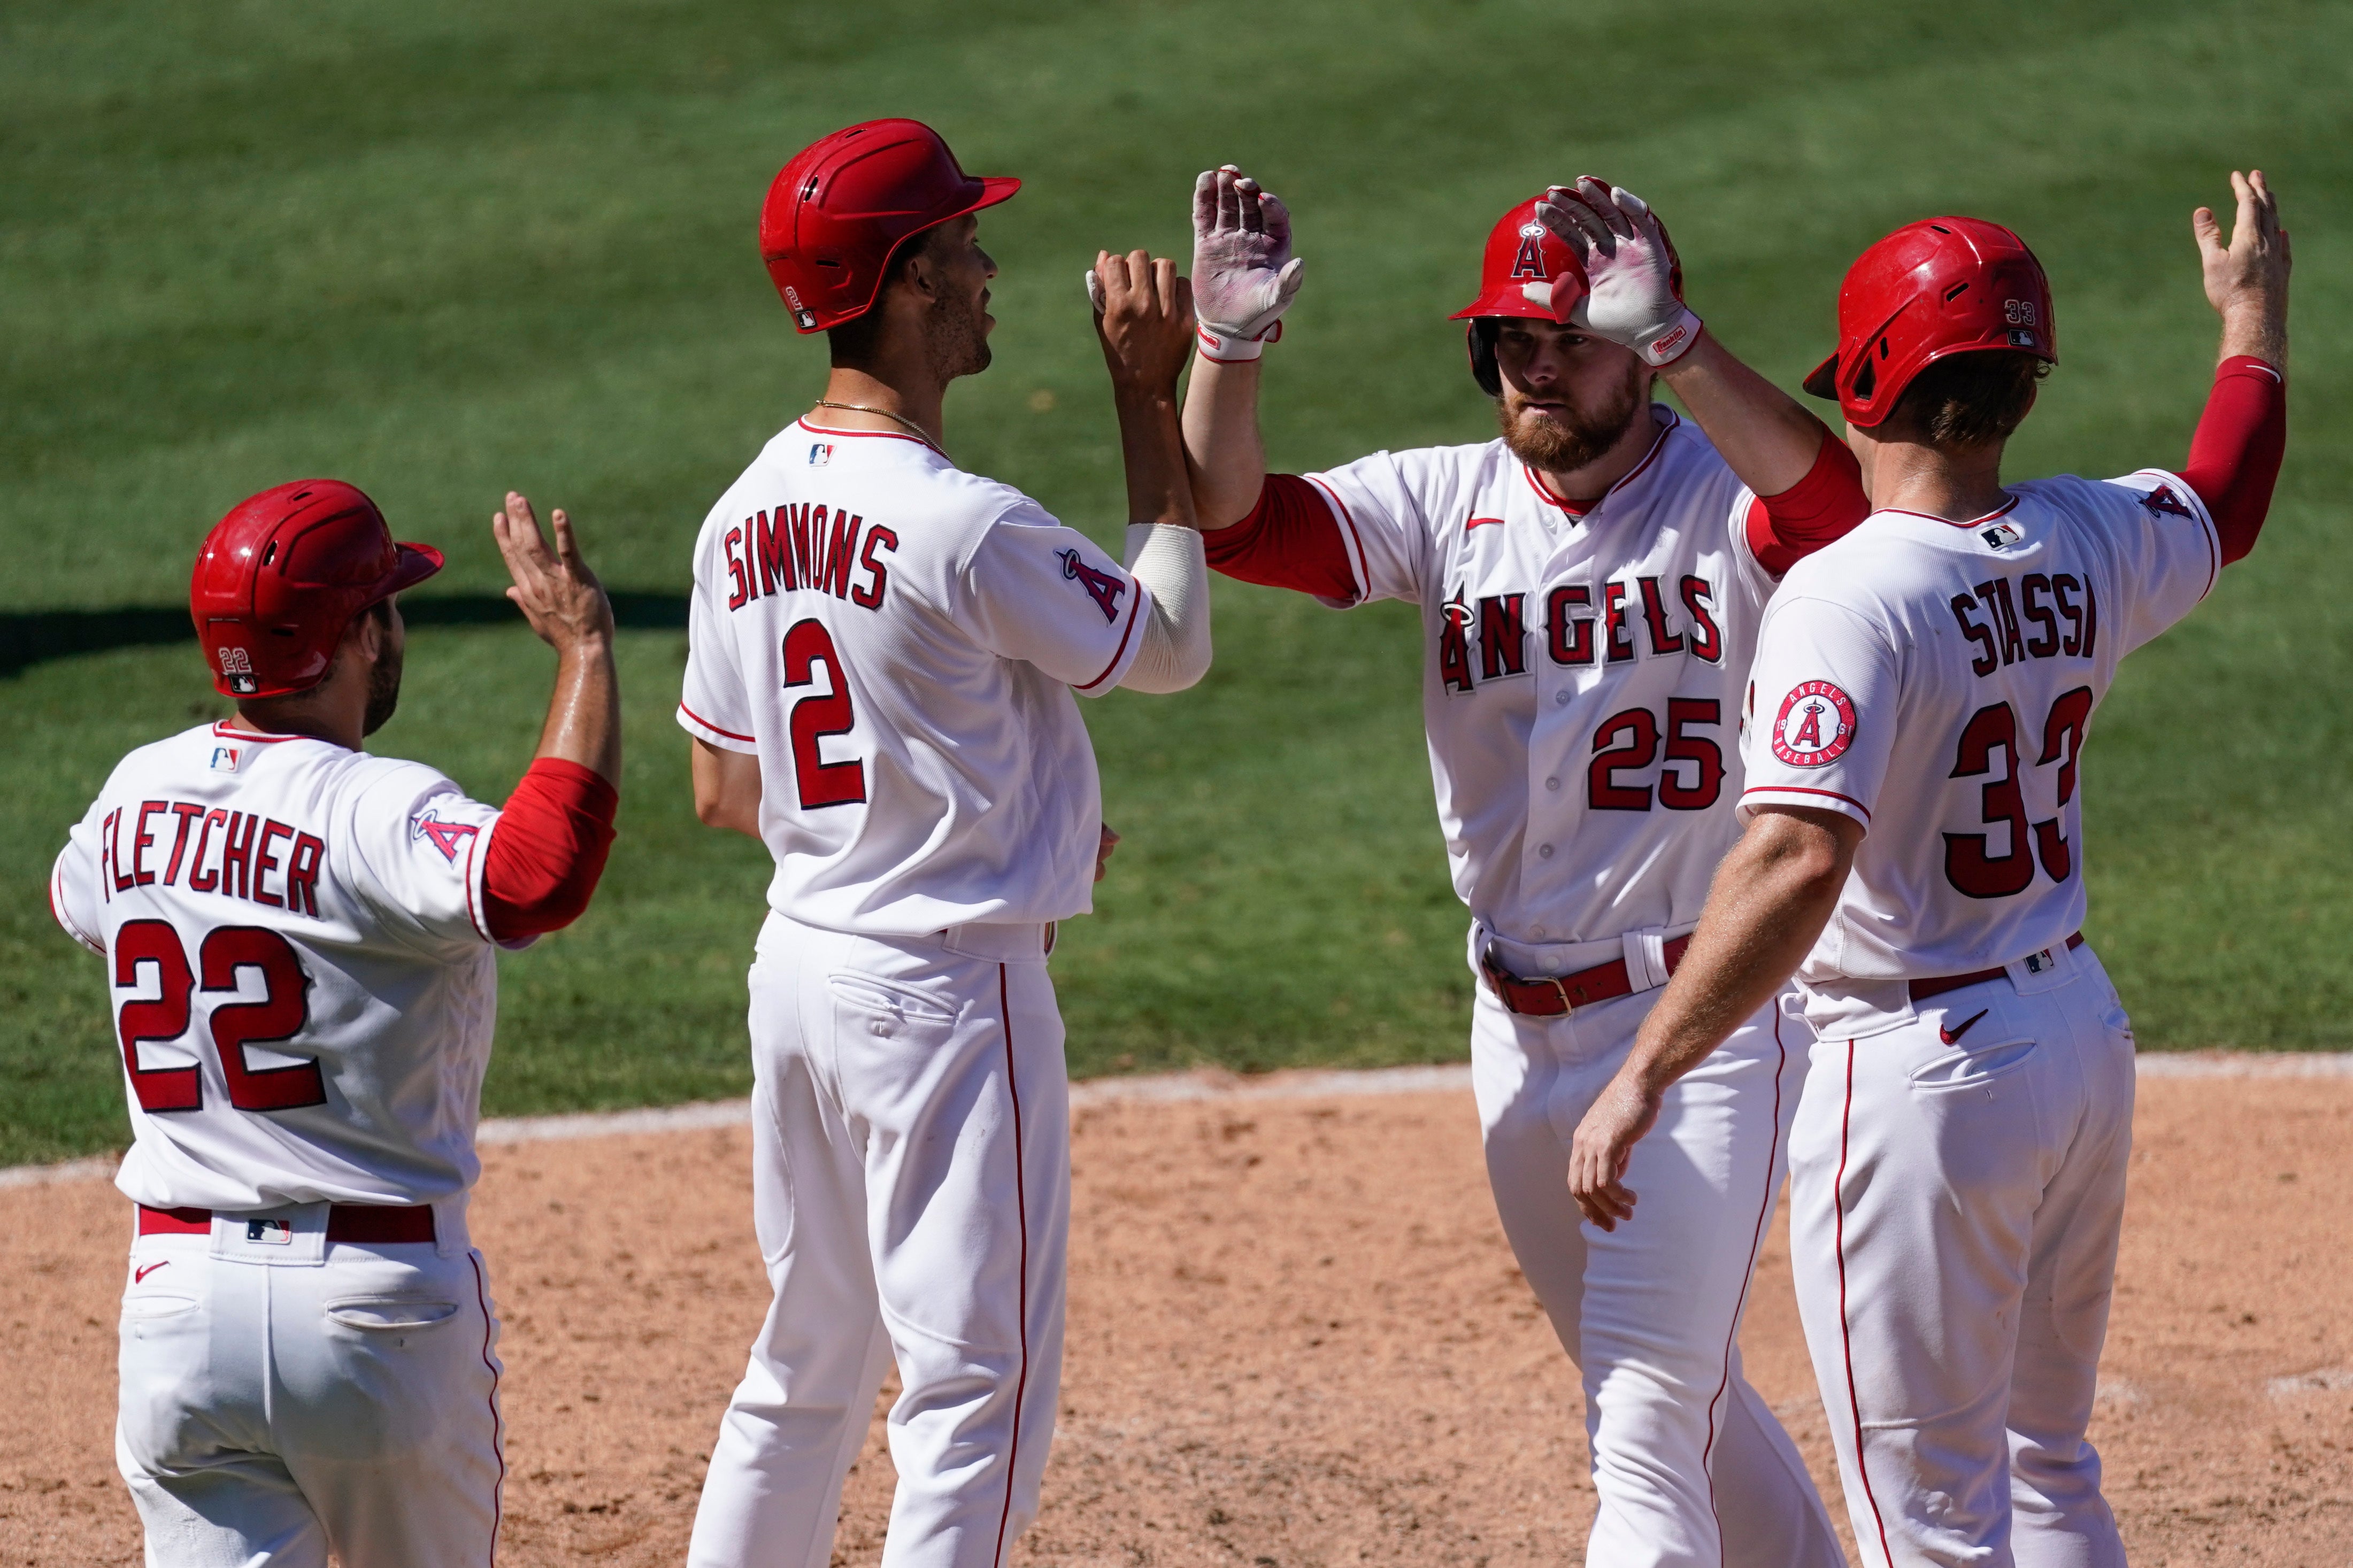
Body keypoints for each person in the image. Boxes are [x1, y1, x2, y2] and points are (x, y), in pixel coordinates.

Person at [1566, 172, 2291, 1566]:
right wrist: (2253, 313)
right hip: (2077, 1032)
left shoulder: (1849, 593)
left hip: (1920, 1077)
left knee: (1933, 1525)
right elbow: (2229, 500)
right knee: (2045, 1463)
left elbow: (1792, 858)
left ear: (1880, 379)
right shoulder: (2085, 534)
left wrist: (1646, 1065)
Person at [1181, 166, 1866, 1567]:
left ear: (1643, 339)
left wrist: (1682, 340)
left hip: (1702, 1023)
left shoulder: (1724, 500)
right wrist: (1226, 352)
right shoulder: (1444, 504)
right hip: (1517, 1030)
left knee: (1640, 1421)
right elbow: (1235, 522)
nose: (1537, 365)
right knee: (1674, 1395)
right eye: (1513, 338)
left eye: (1574, 333)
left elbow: (1839, 515)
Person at [678, 118, 1212, 1568]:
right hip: (942, 993)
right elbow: (1164, 647)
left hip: (799, 966)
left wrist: (986, 806)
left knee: (803, 1366)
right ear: (907, 283)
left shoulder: (737, 516)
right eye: (963, 245)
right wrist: (1144, 396)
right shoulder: (962, 523)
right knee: (976, 1389)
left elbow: (725, 788)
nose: (990, 268)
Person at [49, 481, 622, 1566]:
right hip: (370, 1319)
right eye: (390, 607)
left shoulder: (132, 793)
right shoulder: (377, 809)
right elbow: (538, 877)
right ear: (360, 635)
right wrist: (585, 649)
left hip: (178, 1314)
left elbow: (75, 901)